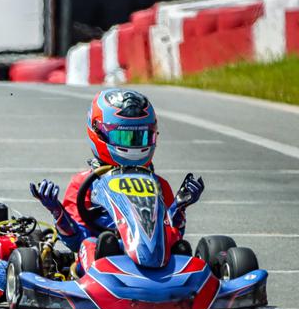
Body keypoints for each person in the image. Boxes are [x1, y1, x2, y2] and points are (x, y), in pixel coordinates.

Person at [29, 88, 204, 271]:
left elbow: (171, 234)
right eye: (123, 137)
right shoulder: (84, 184)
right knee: (94, 243)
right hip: (104, 260)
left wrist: (179, 206)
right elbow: (76, 240)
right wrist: (57, 211)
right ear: (98, 132)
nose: (133, 145)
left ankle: (184, 278)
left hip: (155, 262)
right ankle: (101, 280)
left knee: (181, 248)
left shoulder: (158, 184)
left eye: (141, 136)